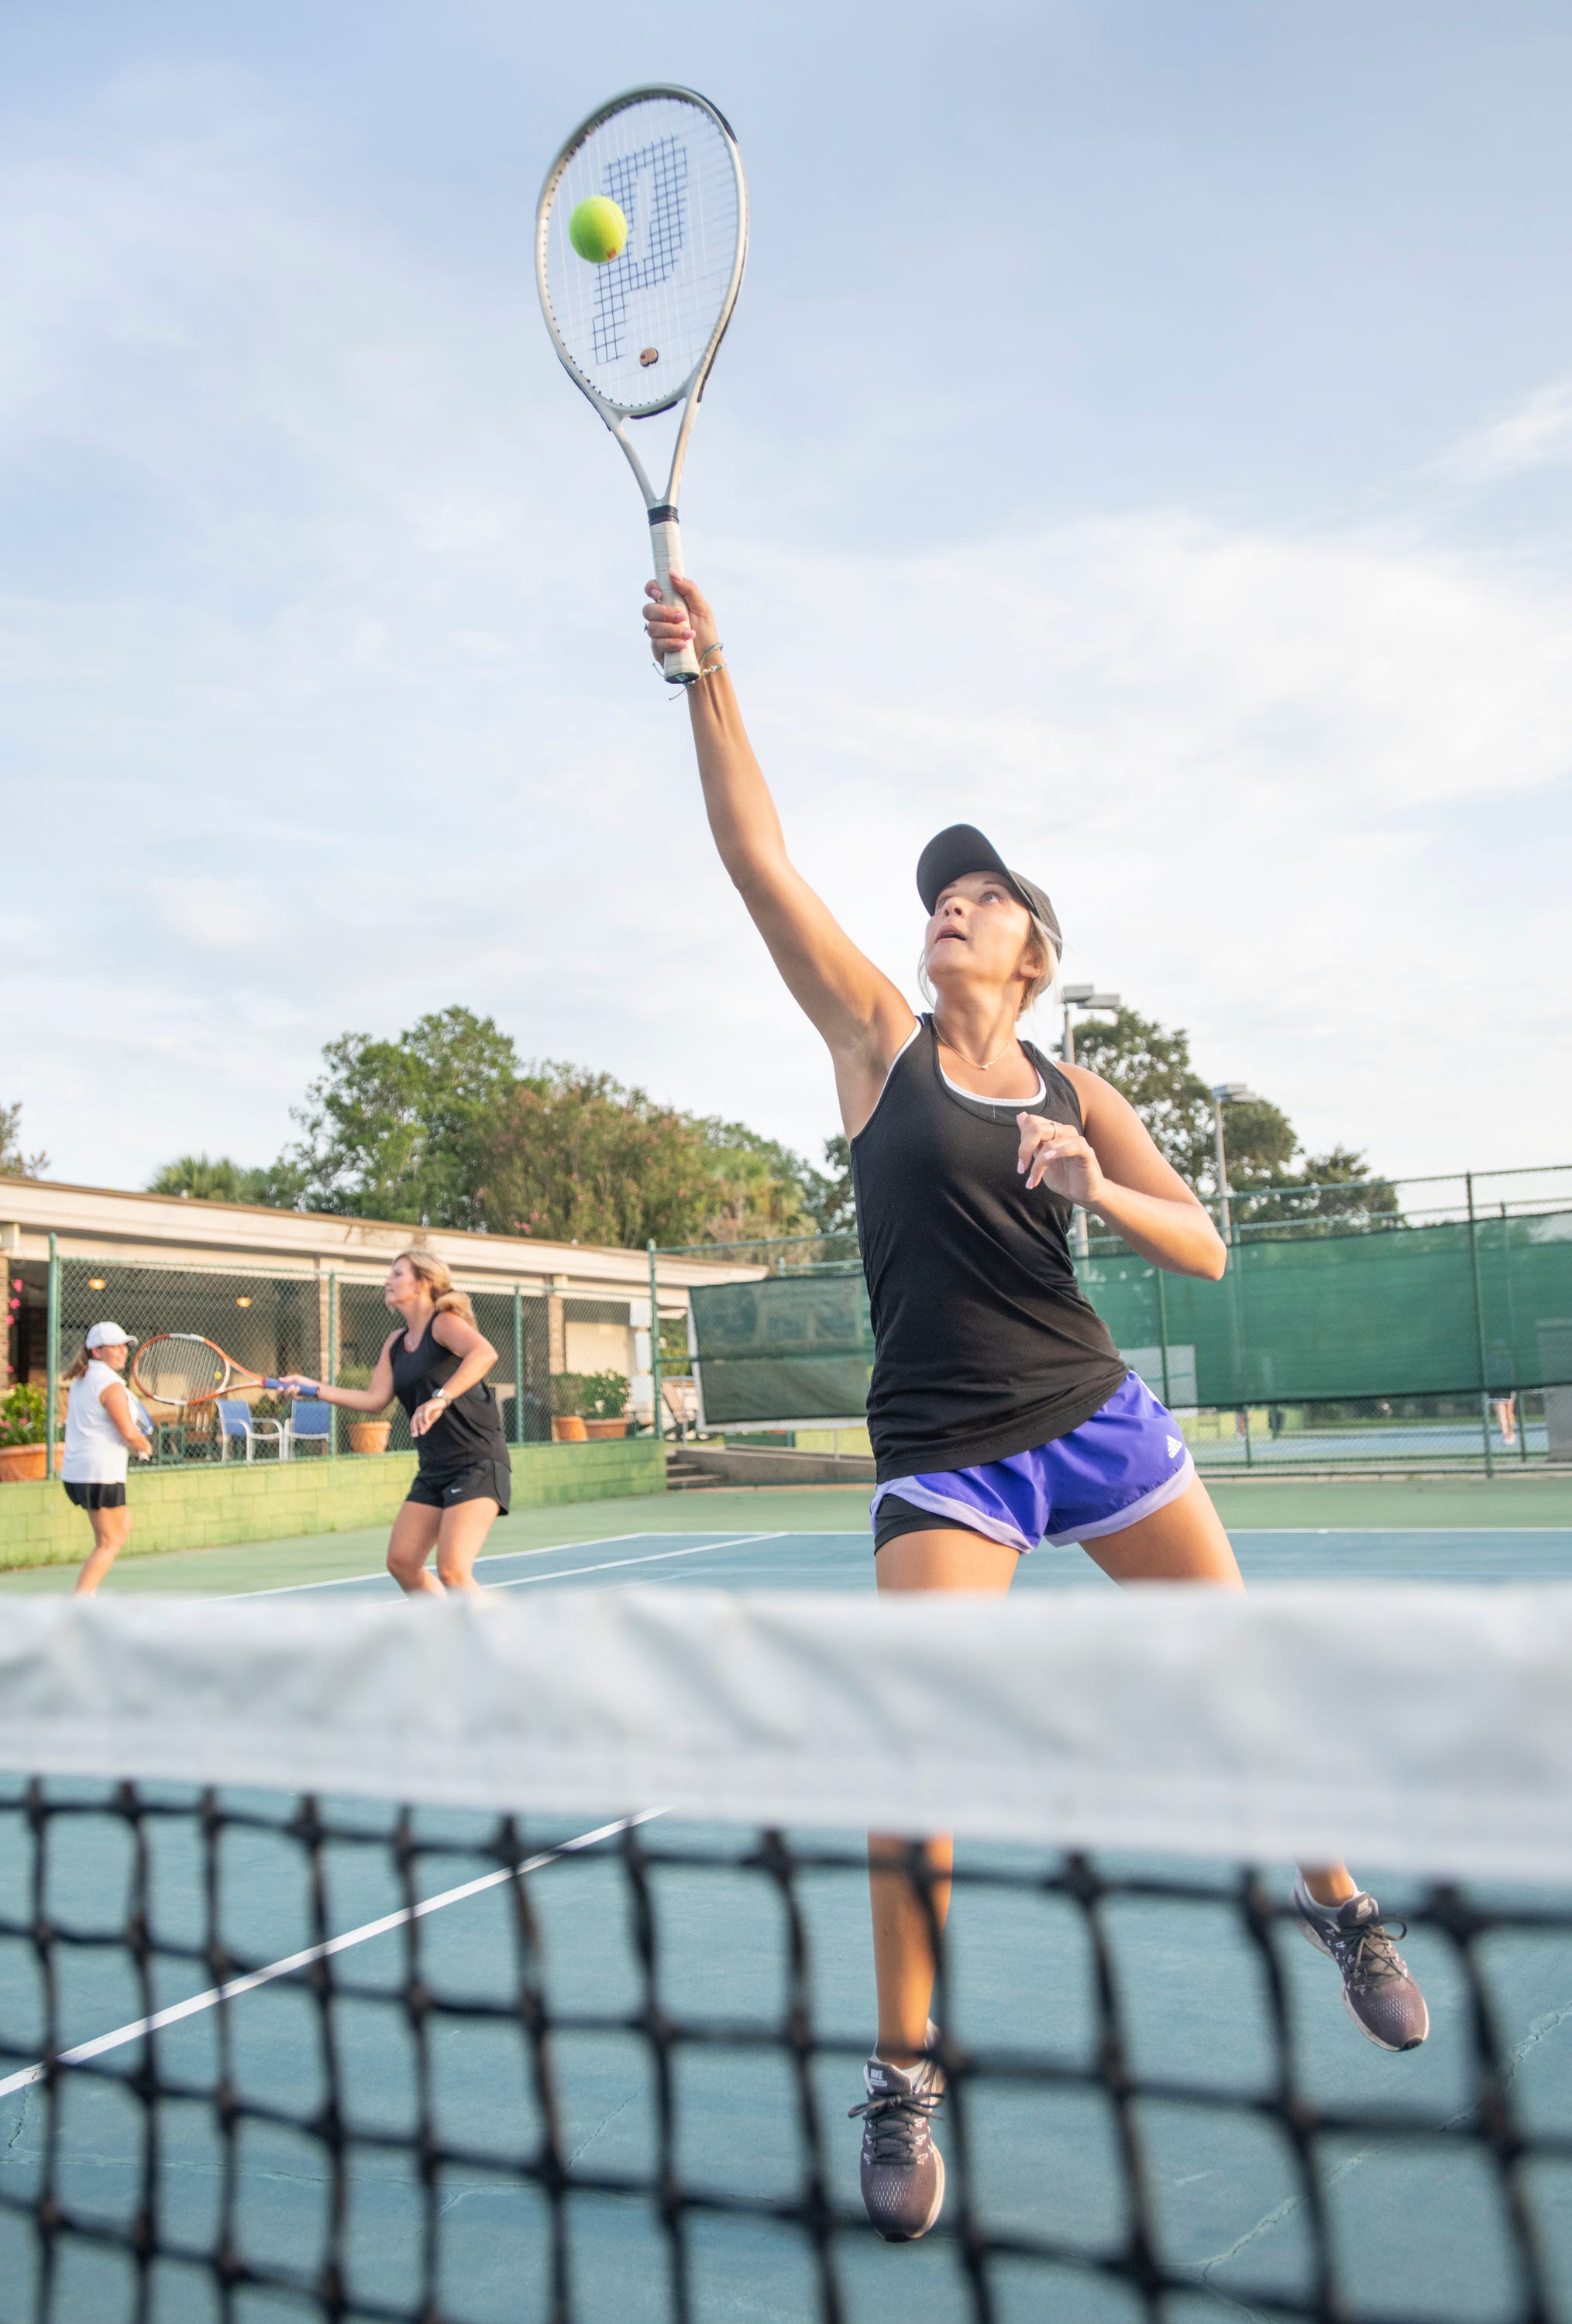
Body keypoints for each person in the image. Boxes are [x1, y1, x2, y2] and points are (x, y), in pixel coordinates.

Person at [642, 572, 1430, 2245]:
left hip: (1098, 1418)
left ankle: (1345, 1907)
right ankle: (905, 2077)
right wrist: (707, 672)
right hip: (946, 1457)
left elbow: (1204, 1248)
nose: (950, 907)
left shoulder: (1085, 1088)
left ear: (1035, 953)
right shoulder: (876, 1042)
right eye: (940, 894)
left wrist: (1099, 1184)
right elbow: (755, 860)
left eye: (983, 896)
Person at [278, 1250, 508, 1595]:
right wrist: (313, 1389)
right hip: (434, 1468)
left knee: (453, 1571)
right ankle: (446, 1631)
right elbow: (374, 1401)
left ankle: (501, 1640)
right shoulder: (395, 1344)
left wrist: (440, 1399)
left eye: (398, 1274)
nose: (388, 1280)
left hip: (477, 1462)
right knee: (401, 1561)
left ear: (423, 1283)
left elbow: (485, 1353)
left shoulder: (444, 1323)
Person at [60, 1321, 152, 1595]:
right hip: (99, 1474)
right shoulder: (109, 1384)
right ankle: (80, 1604)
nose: (123, 1351)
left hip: (80, 1472)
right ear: (97, 1351)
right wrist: (143, 1445)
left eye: (125, 1346)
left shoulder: (82, 1379)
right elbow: (127, 1430)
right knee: (109, 1542)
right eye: (115, 1346)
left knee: (121, 1529)